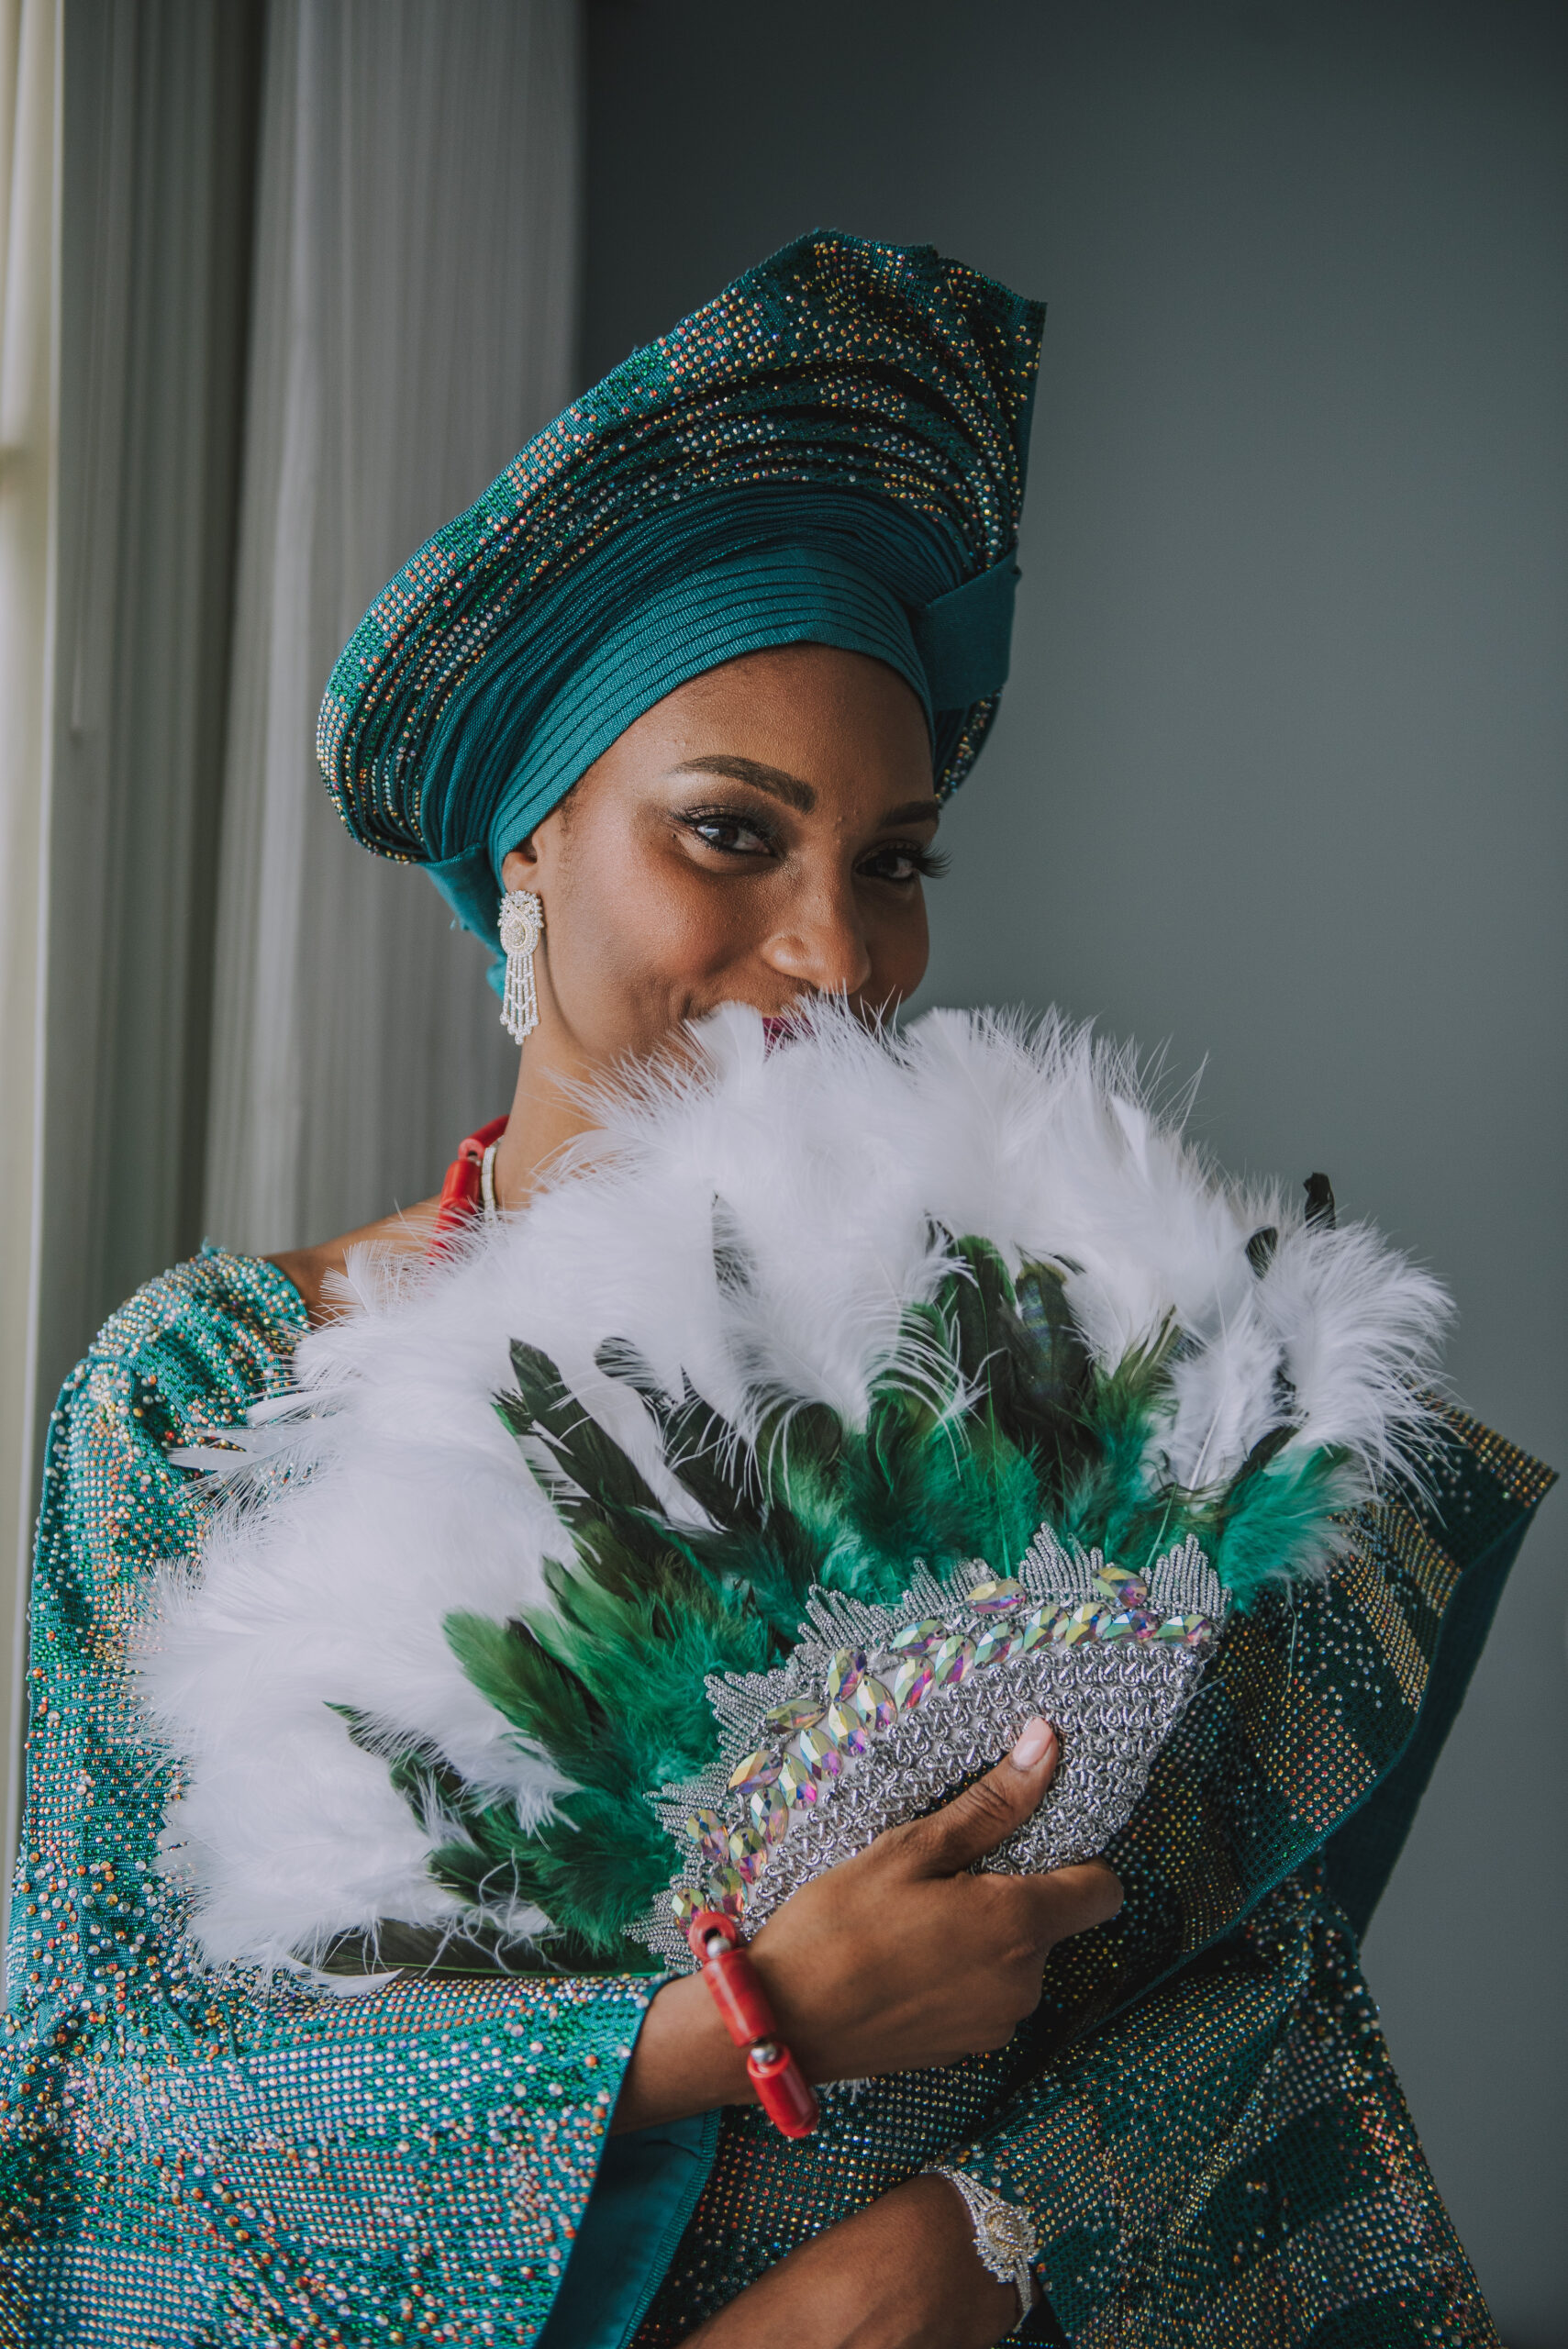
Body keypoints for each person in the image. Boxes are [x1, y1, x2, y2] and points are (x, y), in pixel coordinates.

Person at [1, 232, 1551, 2349]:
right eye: (732, 833)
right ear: (527, 845)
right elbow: (93, 2114)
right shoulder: (198, 1397)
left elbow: (1237, 1983)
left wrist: (966, 2246)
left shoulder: (1019, 1375)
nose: (840, 953)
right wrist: (733, 2020)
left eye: (894, 857)